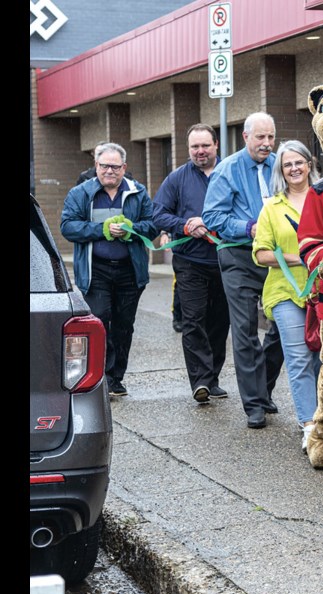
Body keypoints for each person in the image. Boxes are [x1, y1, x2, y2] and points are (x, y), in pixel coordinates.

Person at [201, 112, 285, 429]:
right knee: (245, 329)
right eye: (260, 137)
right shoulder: (227, 170)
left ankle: (263, 389)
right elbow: (212, 217)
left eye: (270, 137)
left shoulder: (281, 165)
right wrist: (248, 227)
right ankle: (254, 405)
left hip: (277, 258)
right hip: (239, 257)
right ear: (246, 137)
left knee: (284, 324)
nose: (266, 144)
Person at [61, 142, 157, 397]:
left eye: (115, 166)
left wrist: (131, 228)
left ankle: (116, 378)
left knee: (124, 324)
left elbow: (152, 226)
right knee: (101, 319)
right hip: (97, 271)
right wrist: (101, 229)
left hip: (130, 270)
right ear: (96, 166)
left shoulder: (138, 192)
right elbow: (68, 226)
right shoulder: (81, 193)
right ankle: (99, 375)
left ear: (124, 168)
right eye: (105, 166)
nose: (110, 171)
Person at [153, 123, 232, 405]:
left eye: (205, 146)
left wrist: (211, 224)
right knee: (194, 320)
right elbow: (158, 214)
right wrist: (184, 226)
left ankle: (213, 378)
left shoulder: (229, 172)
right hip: (190, 262)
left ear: (216, 146)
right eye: (194, 147)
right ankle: (200, 381)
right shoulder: (177, 179)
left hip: (226, 261)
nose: (200, 151)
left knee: (220, 321)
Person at [252, 140, 322, 451]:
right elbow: (261, 253)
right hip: (285, 291)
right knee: (298, 358)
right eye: (287, 164)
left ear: (310, 165)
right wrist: (300, 257)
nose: (294, 168)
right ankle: (309, 423)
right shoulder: (272, 207)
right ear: (281, 170)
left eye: (299, 162)